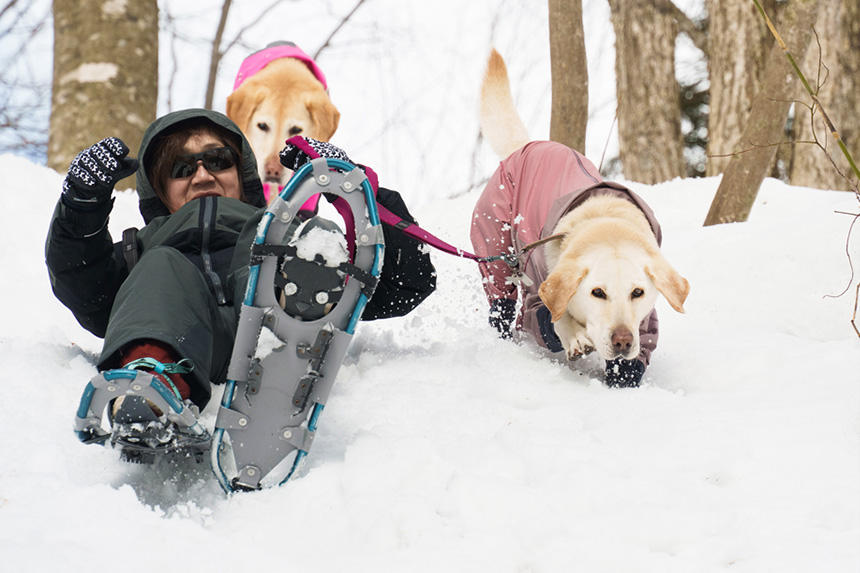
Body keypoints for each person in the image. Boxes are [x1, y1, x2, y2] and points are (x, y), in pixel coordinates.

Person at [46, 108, 436, 419]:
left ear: (241, 173)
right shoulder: (139, 252)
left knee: (301, 241)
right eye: (181, 169)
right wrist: (81, 206)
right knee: (162, 263)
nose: (202, 175)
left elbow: (404, 284)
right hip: (182, 346)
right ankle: (152, 386)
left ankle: (291, 344)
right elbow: (82, 285)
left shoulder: (287, 232)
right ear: (160, 191)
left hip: (278, 340)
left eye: (217, 160)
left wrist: (352, 188)